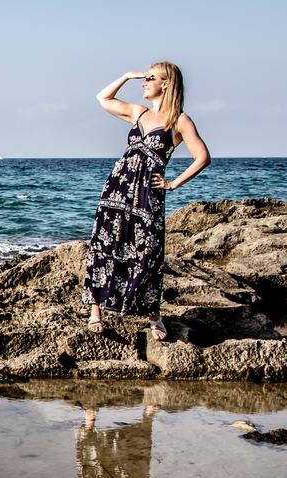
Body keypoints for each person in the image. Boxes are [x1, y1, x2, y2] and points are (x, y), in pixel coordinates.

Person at [83, 62, 211, 340]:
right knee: (105, 246)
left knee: (148, 252)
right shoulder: (138, 113)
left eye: (150, 78)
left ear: (166, 83)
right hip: (117, 190)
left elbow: (202, 157)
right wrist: (128, 75)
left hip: (147, 195)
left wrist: (173, 183)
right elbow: (102, 98)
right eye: (144, 77)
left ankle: (153, 315)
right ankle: (96, 311)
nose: (144, 82)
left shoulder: (179, 120)